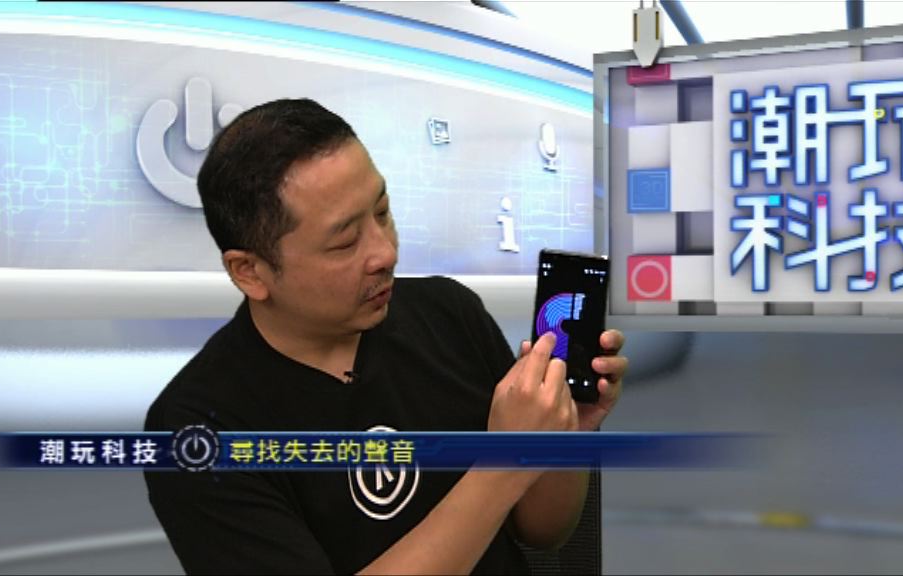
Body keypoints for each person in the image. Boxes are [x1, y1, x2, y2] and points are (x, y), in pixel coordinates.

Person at [144, 98, 628, 575]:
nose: (385, 253)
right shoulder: (197, 429)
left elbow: (542, 531)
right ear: (250, 271)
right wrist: (500, 464)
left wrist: (565, 430)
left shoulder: (449, 313)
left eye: (382, 212)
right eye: (344, 242)